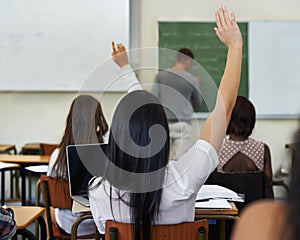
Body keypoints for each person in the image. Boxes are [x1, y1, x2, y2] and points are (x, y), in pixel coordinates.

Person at [89, 6, 243, 240]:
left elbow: (140, 107)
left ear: (116, 137)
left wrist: (126, 69)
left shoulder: (99, 190)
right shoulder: (184, 180)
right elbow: (225, 108)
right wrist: (235, 47)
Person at [47, 94, 109, 236]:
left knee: (46, 210)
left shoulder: (57, 156)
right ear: (98, 121)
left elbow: (53, 194)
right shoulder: (107, 154)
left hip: (69, 224)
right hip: (98, 224)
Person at [230, 128, 300, 240]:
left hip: (225, 213)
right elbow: (268, 180)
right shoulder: (262, 148)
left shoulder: (219, 149)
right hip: (255, 201)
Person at [152, 47, 202, 160]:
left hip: (164, 123)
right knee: (180, 162)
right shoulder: (192, 80)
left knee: (162, 160)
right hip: (183, 125)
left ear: (176, 58)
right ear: (189, 61)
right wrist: (197, 85)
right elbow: (198, 102)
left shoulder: (161, 76)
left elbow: (153, 98)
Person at [217, 96, 273, 185]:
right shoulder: (263, 149)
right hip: (254, 199)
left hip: (224, 199)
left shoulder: (218, 148)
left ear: (228, 119)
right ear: (252, 122)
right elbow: (268, 185)